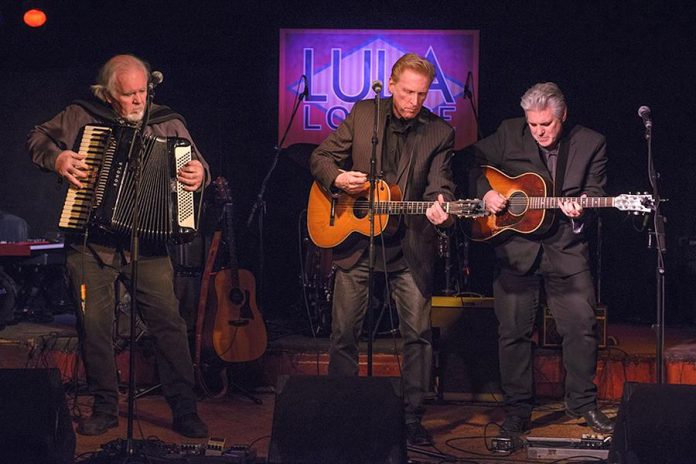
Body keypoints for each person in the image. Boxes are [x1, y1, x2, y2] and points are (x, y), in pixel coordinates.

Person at [26, 54, 209, 438]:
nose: (139, 101)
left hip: (150, 246)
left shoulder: (168, 122)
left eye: (143, 92)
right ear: (108, 95)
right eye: (129, 95)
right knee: (94, 327)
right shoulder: (82, 115)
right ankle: (105, 407)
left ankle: (185, 408)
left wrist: (198, 174)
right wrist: (58, 158)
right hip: (91, 243)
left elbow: (198, 166)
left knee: (169, 325)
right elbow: (37, 138)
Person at [310, 53, 456, 446]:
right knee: (343, 333)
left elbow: (440, 184)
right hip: (356, 242)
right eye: (407, 92)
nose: (413, 101)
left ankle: (411, 416)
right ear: (390, 85)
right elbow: (320, 157)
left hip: (408, 246)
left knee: (418, 335)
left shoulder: (439, 133)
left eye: (421, 95)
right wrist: (339, 178)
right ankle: (343, 409)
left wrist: (442, 205)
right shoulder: (363, 115)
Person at [469, 82, 613, 435]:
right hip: (516, 250)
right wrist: (486, 193)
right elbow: (472, 163)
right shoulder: (508, 132)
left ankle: (582, 403)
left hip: (566, 249)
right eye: (533, 125)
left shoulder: (591, 142)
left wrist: (580, 210)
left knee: (581, 328)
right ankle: (517, 410)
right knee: (513, 333)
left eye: (546, 124)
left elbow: (595, 192)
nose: (538, 132)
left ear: (563, 116)